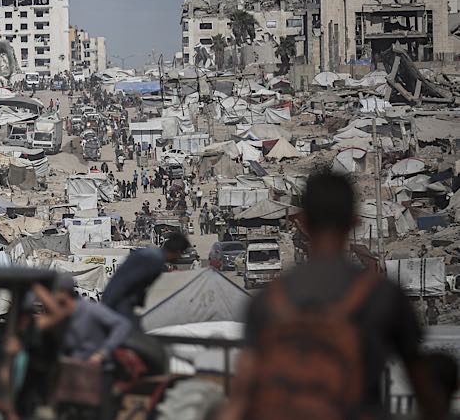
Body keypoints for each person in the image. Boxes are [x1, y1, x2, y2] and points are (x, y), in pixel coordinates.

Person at [221, 172, 446, 420]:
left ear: (303, 222)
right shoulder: (383, 295)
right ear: (354, 220)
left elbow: (242, 393)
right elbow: (424, 389)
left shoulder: (269, 300)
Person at [53, 275, 132, 420]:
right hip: (74, 373)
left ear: (63, 293)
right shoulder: (61, 316)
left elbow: (122, 325)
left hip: (99, 373)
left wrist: (103, 352)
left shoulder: (91, 310)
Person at [101, 232, 191, 324]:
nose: (180, 257)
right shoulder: (153, 260)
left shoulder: (150, 254)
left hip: (117, 301)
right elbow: (131, 283)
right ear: (177, 251)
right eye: (181, 253)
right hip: (119, 303)